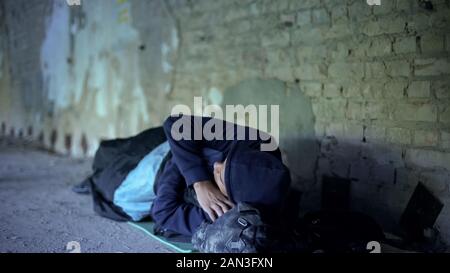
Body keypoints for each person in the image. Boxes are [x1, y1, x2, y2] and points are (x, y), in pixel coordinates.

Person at [74, 114, 292, 238]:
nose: (217, 165)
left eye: (221, 177)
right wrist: (200, 181)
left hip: (158, 176)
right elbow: (176, 125)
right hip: (169, 146)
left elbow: (164, 213)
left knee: (111, 186)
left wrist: (182, 166)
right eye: (225, 161)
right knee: (109, 149)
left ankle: (92, 181)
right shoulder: (258, 143)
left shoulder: (227, 215)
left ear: (234, 202)